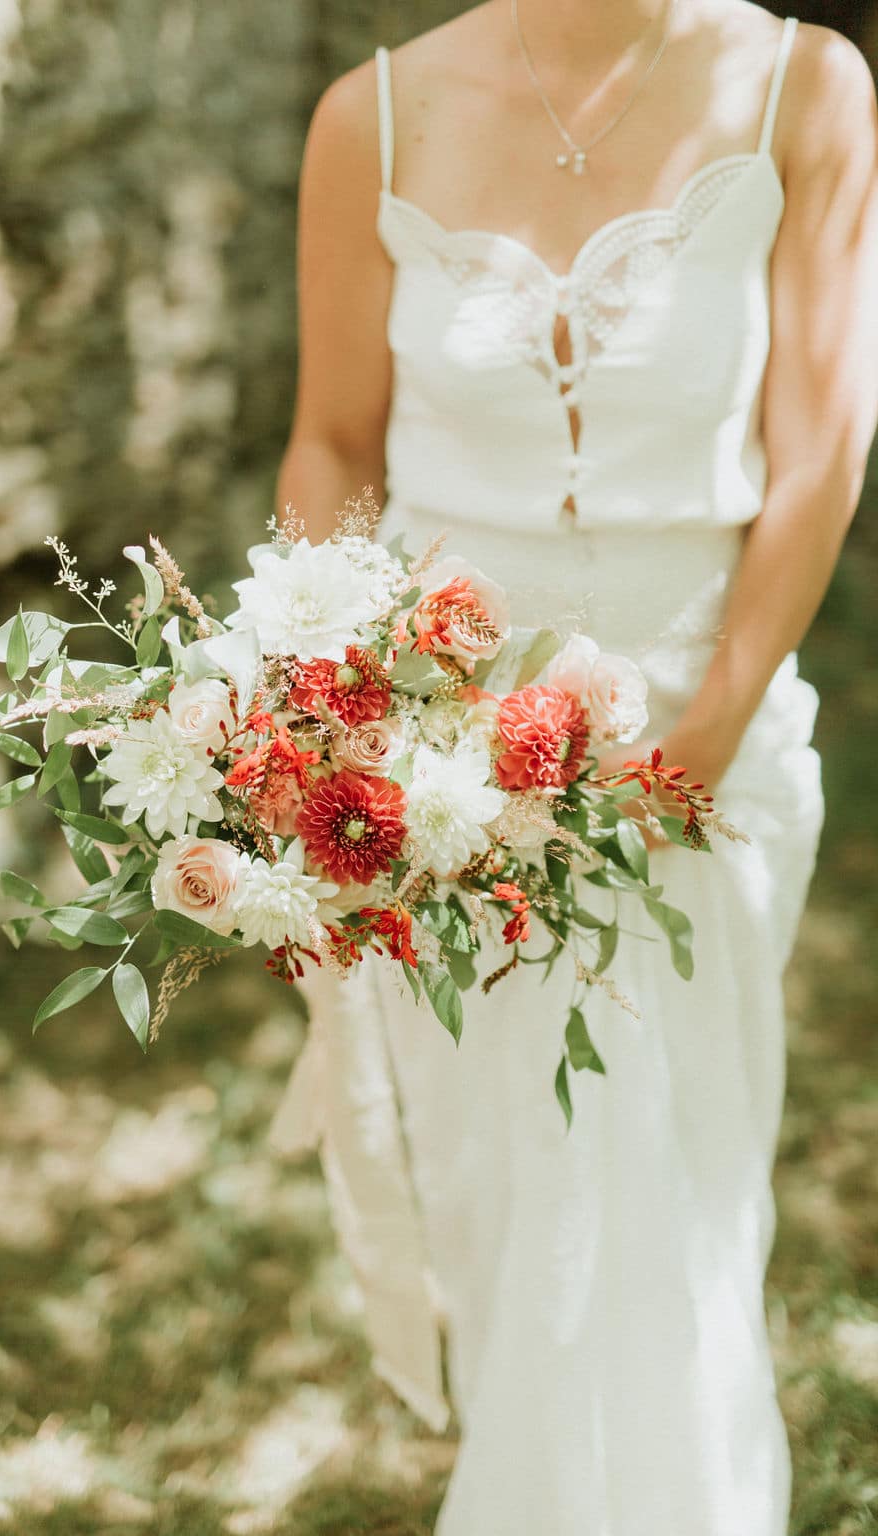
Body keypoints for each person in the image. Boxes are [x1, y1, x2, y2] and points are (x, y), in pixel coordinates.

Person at [266, 3, 878, 1532]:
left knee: (667, 1194)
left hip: (702, 738)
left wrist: (703, 738)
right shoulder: (374, 117)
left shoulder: (804, 85)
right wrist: (320, 706)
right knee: (509, 1203)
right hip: (435, 756)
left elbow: (819, 442)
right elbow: (335, 443)